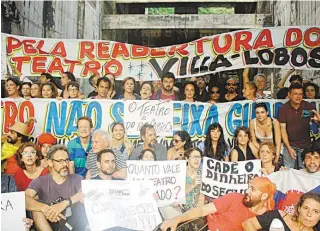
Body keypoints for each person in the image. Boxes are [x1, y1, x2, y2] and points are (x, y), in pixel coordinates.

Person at [160, 177, 276, 231]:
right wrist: (177, 219)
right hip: (203, 226)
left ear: (264, 196)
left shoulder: (267, 217)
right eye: (248, 187)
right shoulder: (235, 198)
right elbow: (202, 210)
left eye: (253, 189)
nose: (247, 191)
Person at [25, 145, 88, 231]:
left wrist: (64, 204)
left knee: (79, 206)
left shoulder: (77, 179)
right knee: (36, 210)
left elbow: (85, 194)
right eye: (60, 161)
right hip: (48, 225)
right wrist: (46, 208)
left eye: (66, 160)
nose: (65, 164)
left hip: (72, 225)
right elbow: (24, 199)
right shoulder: (40, 181)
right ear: (50, 162)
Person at [277, 83, 316, 169]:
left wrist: (318, 120)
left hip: (306, 145)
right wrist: (288, 147)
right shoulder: (283, 109)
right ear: (289, 95)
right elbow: (283, 130)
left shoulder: (308, 106)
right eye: (295, 94)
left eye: (300, 94)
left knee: (306, 171)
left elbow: (317, 122)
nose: (298, 96)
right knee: (289, 170)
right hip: (290, 144)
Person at [242, 192, 320, 231]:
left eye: (316, 211)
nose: (309, 214)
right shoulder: (279, 216)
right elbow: (247, 224)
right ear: (299, 208)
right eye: (306, 208)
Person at [181, 148, 205, 212]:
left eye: (199, 157)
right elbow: (177, 196)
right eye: (194, 157)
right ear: (187, 158)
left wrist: (196, 213)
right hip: (180, 210)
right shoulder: (180, 173)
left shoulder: (203, 174)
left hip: (196, 211)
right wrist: (193, 185)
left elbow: (201, 199)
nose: (197, 159)